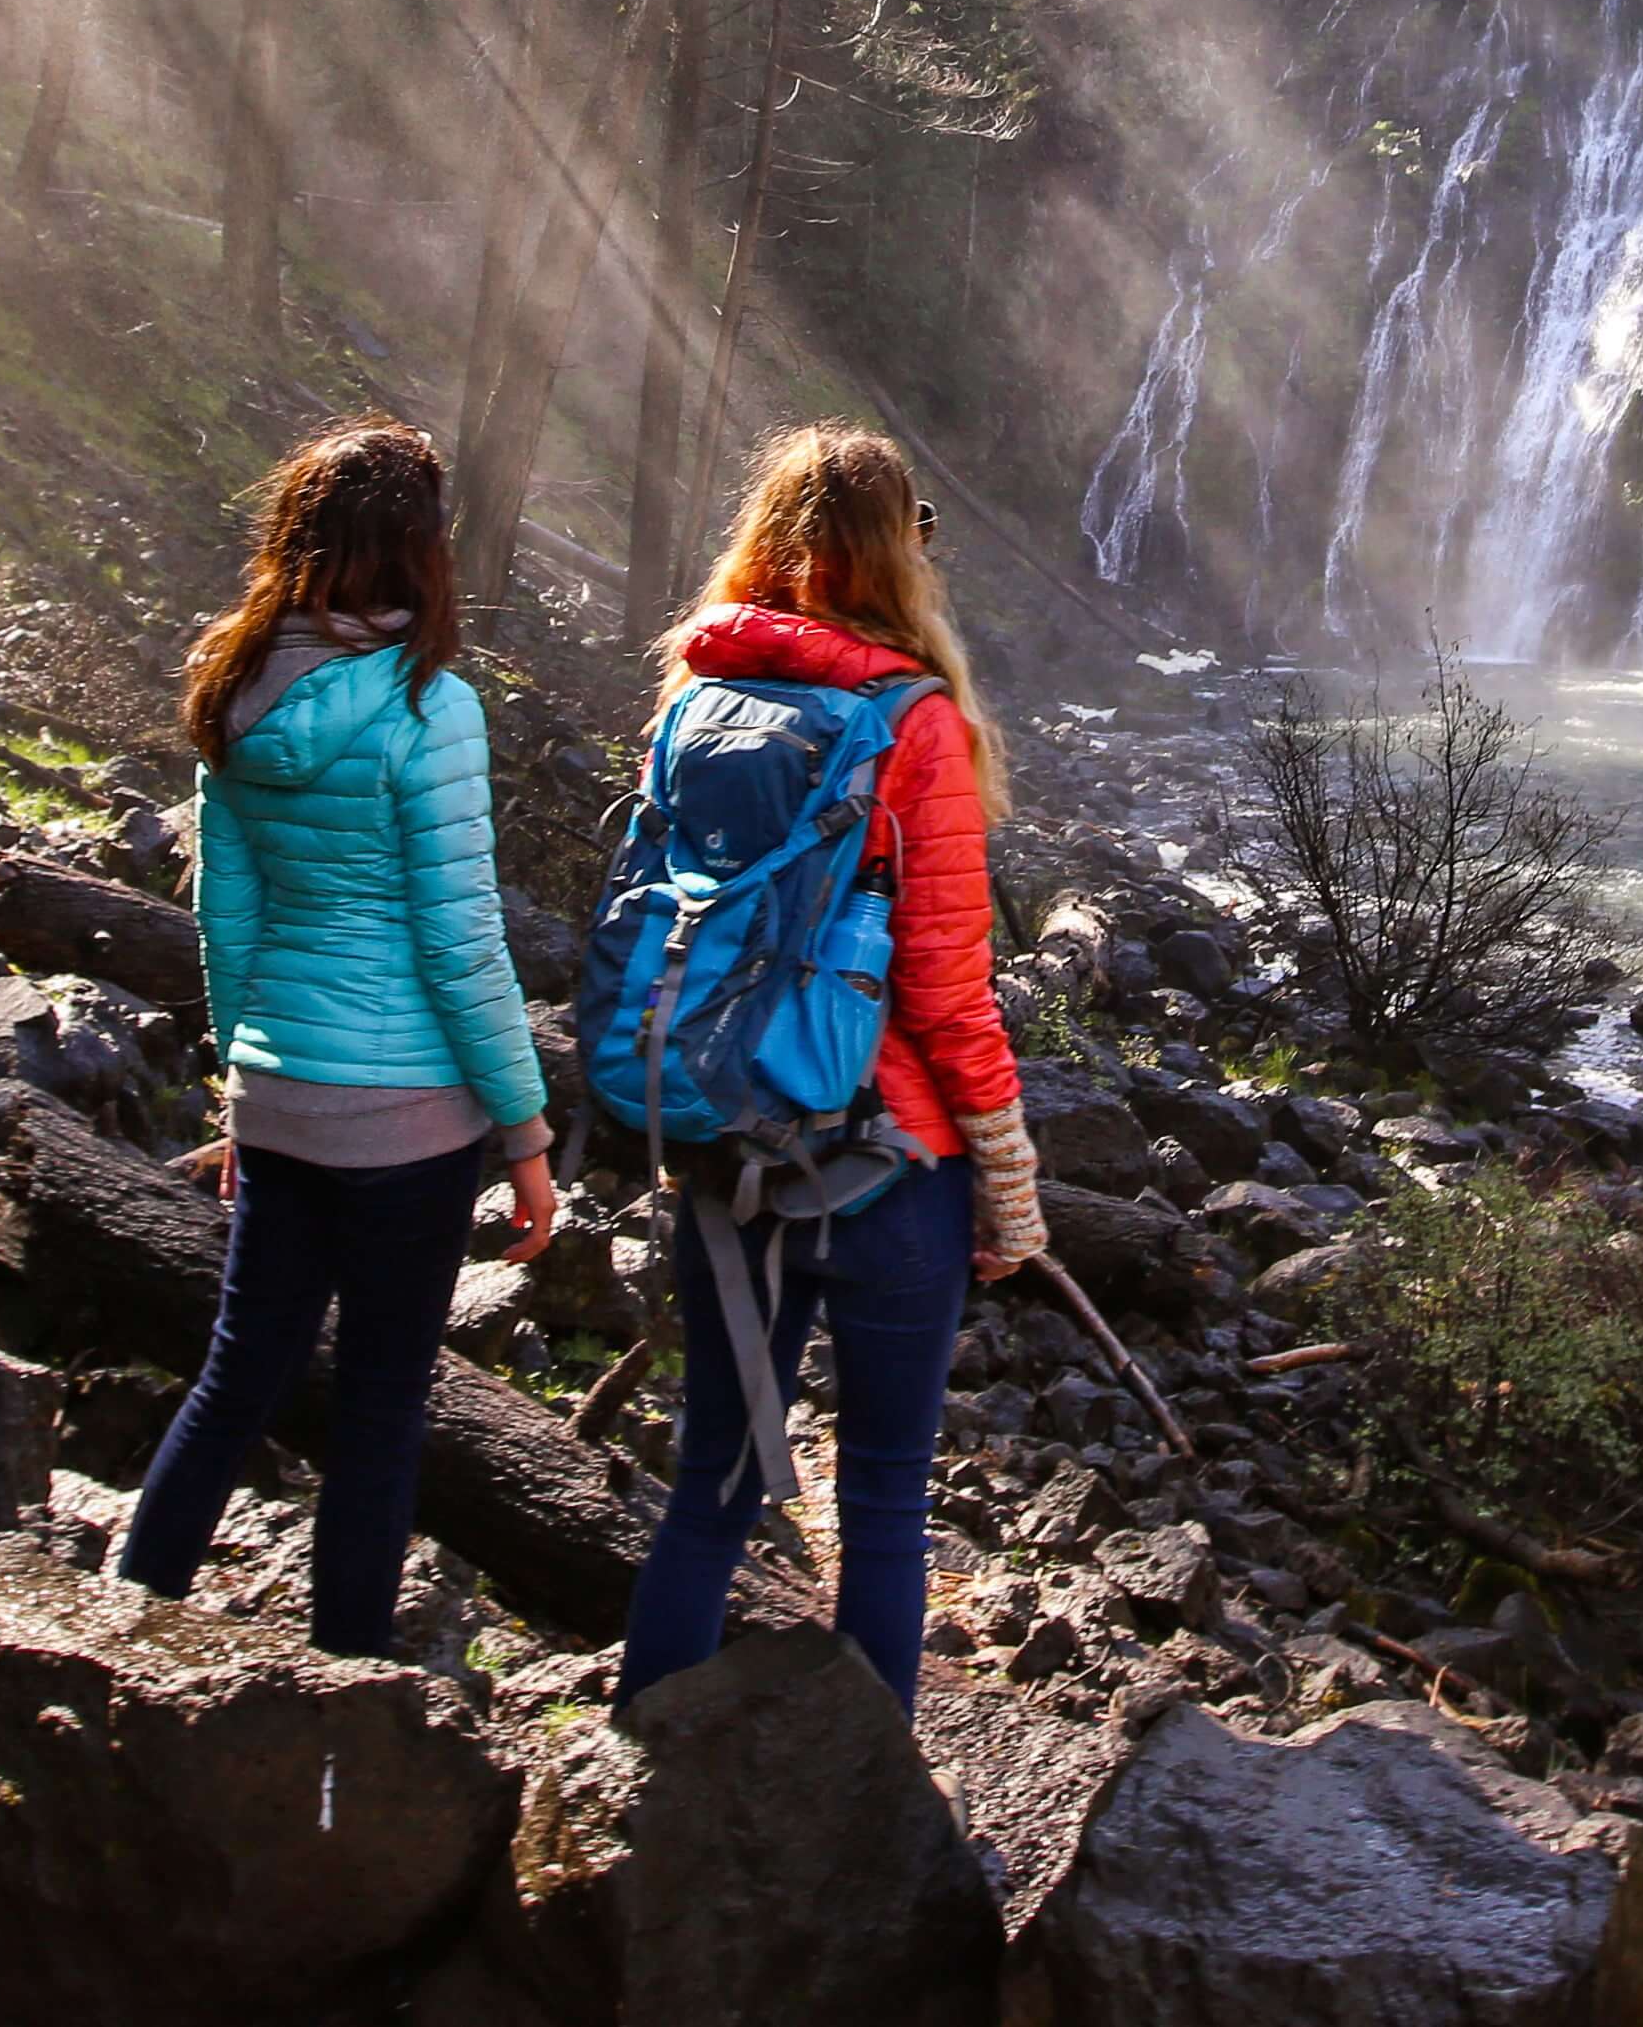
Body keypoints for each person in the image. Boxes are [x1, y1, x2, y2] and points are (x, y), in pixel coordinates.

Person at [615, 425, 1044, 1710]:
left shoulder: (697, 694)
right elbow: (943, 988)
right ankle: (874, 1835)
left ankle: (636, 1775)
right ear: (903, 553)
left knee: (711, 1483)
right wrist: (1009, 1170)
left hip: (721, 1128)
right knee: (886, 1495)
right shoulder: (915, 721)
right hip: (883, 1157)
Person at [116, 412, 555, 1656]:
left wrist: (242, 1089)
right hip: (411, 1114)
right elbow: (461, 941)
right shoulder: (430, 703)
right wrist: (524, 1131)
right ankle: (349, 1686)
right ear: (420, 552)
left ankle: (118, 1618)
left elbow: (228, 920)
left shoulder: (234, 686)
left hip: (282, 1089)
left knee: (235, 1376)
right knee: (378, 1412)